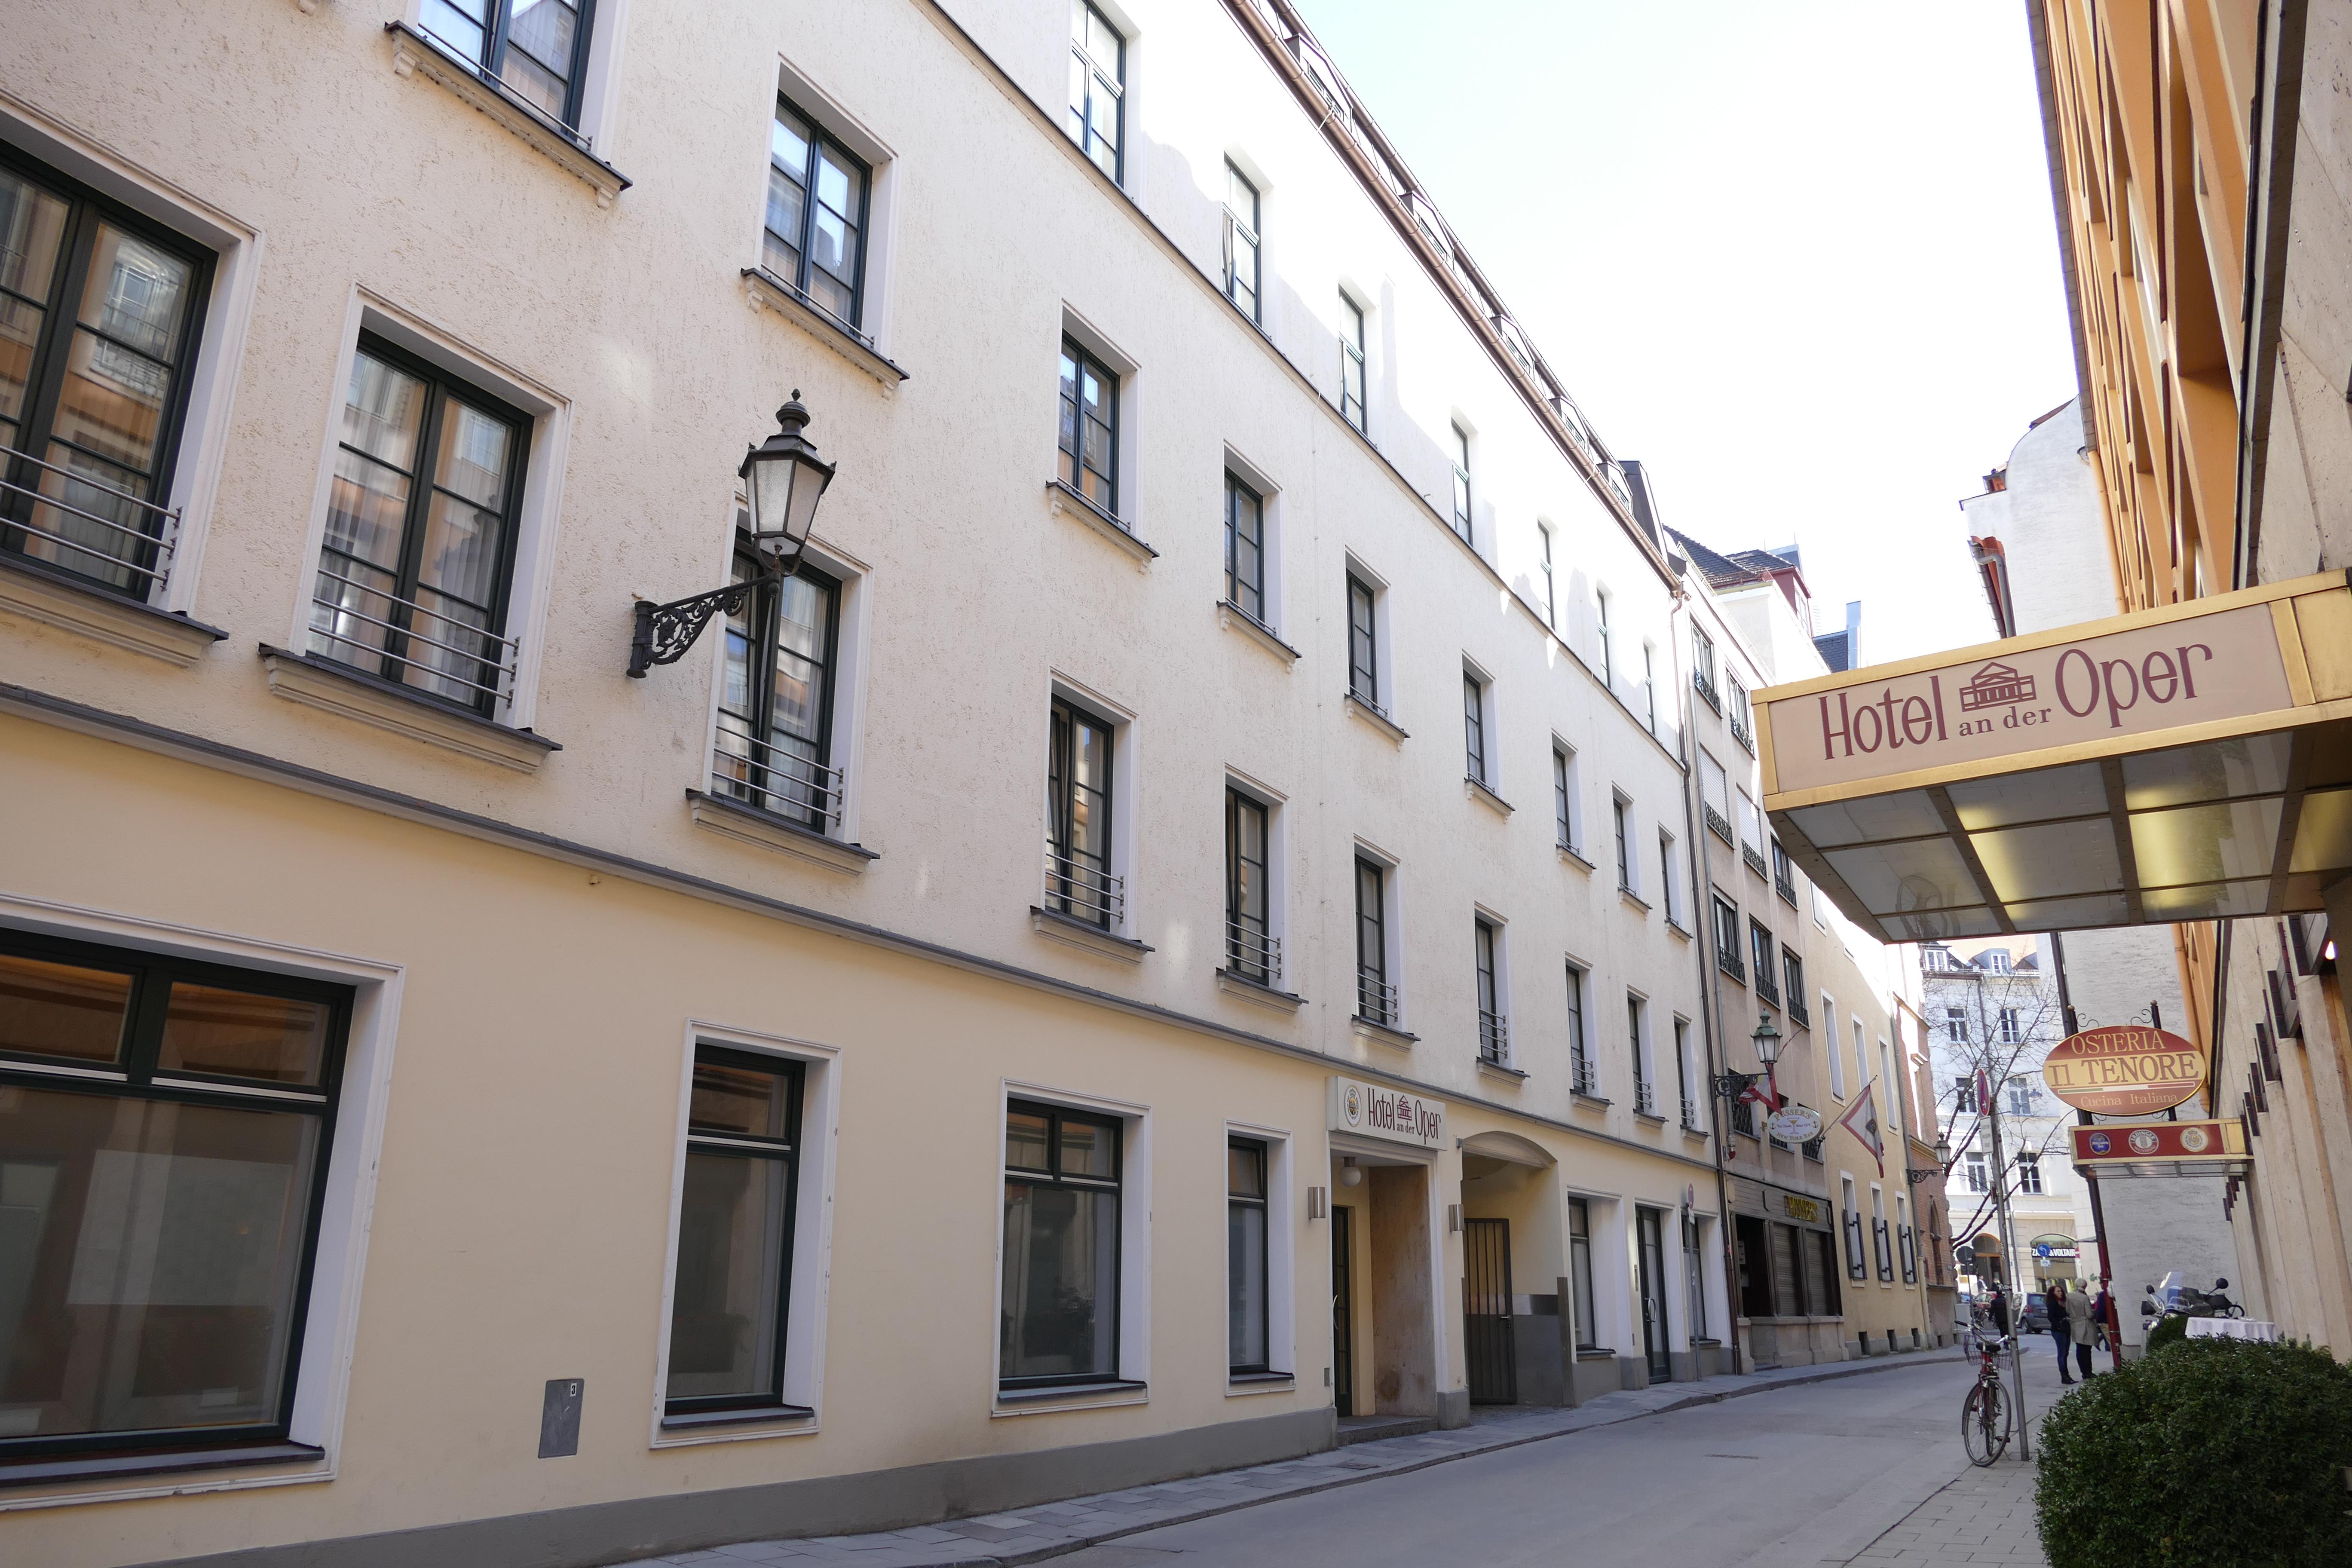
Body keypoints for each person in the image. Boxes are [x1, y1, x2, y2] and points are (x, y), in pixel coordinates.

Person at [2067, 1280, 2097, 1379]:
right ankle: (2088, 1372)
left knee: (2080, 1350)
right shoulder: (2084, 1298)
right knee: (2087, 1351)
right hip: (2086, 1325)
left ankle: (2083, 1371)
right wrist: (2095, 1312)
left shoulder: (2069, 1296)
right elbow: (2089, 1315)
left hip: (2075, 1324)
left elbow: (2067, 1310)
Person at [2048, 1280, 2076, 1383]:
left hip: (2066, 1329)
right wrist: (2059, 1326)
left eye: (2061, 1291)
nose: (2060, 1293)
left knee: (2066, 1353)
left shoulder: (2064, 1303)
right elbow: (2051, 1317)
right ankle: (2064, 1376)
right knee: (2062, 1353)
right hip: (2058, 1331)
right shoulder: (2053, 1303)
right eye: (2058, 1292)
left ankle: (2067, 1376)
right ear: (2053, 1293)